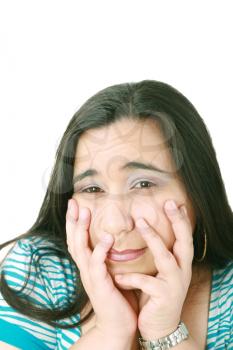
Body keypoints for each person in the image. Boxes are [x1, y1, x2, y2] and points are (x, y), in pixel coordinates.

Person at [0, 80, 232, 350]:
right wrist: (110, 333)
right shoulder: (41, 270)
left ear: (197, 189)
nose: (115, 224)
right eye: (92, 188)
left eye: (144, 184)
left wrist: (164, 333)